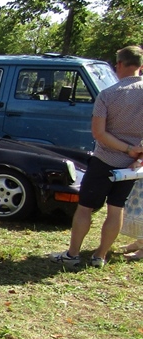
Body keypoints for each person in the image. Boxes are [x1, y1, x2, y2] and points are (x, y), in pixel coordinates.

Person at [51, 45, 143, 268]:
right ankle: (100, 256)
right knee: (116, 208)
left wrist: (126, 149)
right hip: (130, 168)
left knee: (85, 208)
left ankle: (73, 254)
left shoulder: (108, 95)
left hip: (105, 160)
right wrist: (137, 154)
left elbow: (99, 133)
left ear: (119, 64)